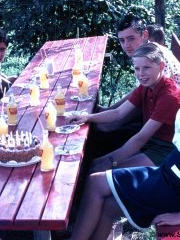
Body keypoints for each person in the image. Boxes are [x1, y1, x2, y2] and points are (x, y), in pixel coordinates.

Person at [67, 43, 180, 173]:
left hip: (166, 150)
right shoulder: (146, 86)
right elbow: (118, 113)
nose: (141, 74)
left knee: (102, 170)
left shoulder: (169, 96)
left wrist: (110, 162)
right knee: (93, 164)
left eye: (146, 68)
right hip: (149, 142)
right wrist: (87, 117)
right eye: (137, 68)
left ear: (161, 67)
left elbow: (140, 138)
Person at [69, 108, 180, 240]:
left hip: (171, 188)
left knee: (96, 182)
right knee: (109, 205)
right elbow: (118, 112)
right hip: (164, 174)